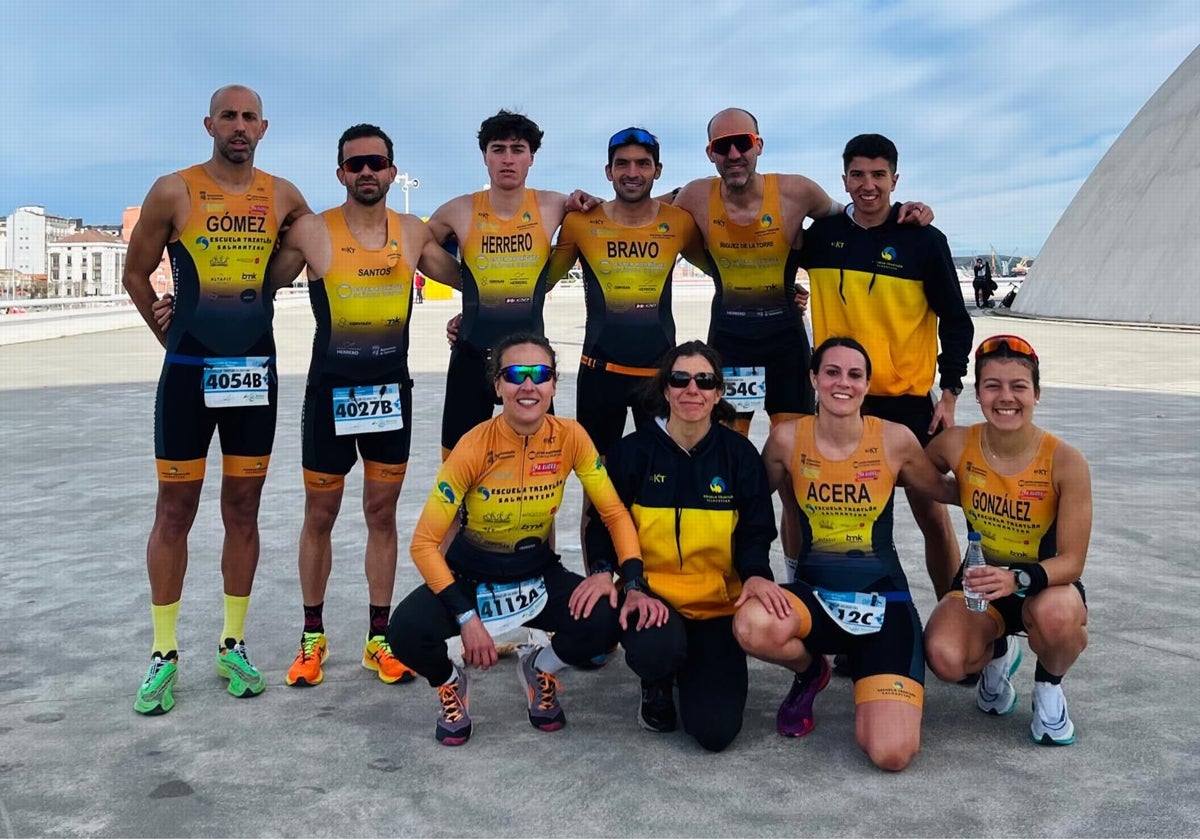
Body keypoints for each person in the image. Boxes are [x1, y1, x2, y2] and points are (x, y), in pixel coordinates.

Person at [122, 85, 311, 715]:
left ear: (264, 127)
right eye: (227, 116)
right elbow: (135, 271)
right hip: (188, 373)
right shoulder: (174, 190)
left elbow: (326, 248)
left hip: (255, 372)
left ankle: (233, 642)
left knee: (243, 506)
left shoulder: (284, 196)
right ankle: (163, 652)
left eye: (248, 117)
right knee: (174, 510)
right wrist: (166, 333)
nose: (238, 125)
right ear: (208, 123)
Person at [261, 124, 460, 689]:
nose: (367, 171)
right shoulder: (312, 231)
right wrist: (185, 302)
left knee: (381, 515)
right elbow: (253, 284)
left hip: (389, 395)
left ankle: (378, 639)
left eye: (377, 162)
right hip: (329, 396)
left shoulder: (413, 231)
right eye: (355, 164)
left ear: (393, 172)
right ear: (341, 173)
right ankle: (312, 637)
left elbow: (476, 280)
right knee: (319, 516)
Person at [386, 332, 643, 746]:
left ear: (554, 385)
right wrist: (466, 618)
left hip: (536, 569)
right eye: (515, 374)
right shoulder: (472, 447)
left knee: (608, 620)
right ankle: (450, 682)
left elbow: (613, 512)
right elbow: (423, 542)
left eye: (540, 374)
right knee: (403, 633)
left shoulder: (571, 437)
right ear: (498, 386)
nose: (528, 385)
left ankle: (541, 666)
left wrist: (620, 578)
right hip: (471, 572)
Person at [733, 337, 958, 771]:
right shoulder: (786, 439)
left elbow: (946, 490)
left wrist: (997, 465)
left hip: (884, 603)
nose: (843, 383)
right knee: (751, 623)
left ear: (867, 384)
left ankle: (874, 676)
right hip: (815, 600)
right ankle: (810, 671)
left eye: (855, 375)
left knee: (891, 753)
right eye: (832, 372)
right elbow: (752, 507)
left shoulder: (894, 440)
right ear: (814, 378)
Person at [666, 109, 933, 437]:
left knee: (795, 445)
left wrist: (904, 211)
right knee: (726, 444)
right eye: (723, 146)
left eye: (742, 143)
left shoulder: (796, 192)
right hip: (731, 341)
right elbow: (641, 214)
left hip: (786, 343)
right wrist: (597, 204)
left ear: (758, 145)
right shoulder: (695, 195)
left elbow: (857, 215)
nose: (734, 154)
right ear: (710, 152)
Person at [586, 341, 785, 752]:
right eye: (680, 379)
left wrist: (756, 575)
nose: (691, 389)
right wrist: (607, 572)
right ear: (665, 389)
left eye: (704, 380)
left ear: (717, 393)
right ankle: (656, 681)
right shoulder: (632, 452)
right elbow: (602, 524)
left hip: (717, 606)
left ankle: (696, 664)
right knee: (658, 648)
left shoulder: (739, 455)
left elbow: (756, 529)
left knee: (715, 732)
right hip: (652, 599)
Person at [799, 134, 973, 601]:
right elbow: (770, 267)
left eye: (879, 175)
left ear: (895, 179)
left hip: (910, 405)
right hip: (842, 407)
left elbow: (956, 322)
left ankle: (954, 611)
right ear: (844, 180)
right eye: (858, 175)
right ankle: (845, 622)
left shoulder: (924, 241)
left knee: (932, 516)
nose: (868, 185)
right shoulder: (819, 240)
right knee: (848, 526)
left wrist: (951, 392)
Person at [548, 127, 709, 572]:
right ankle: (600, 583)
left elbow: (725, 269)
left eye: (642, 164)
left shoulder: (679, 224)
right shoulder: (581, 221)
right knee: (597, 490)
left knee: (664, 485)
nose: (632, 172)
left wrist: (784, 291)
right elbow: (537, 284)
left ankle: (658, 585)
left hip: (660, 380)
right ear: (608, 171)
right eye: (623, 164)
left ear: (657, 171)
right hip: (600, 374)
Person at [923, 335, 1091, 746]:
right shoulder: (957, 443)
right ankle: (998, 654)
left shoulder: (1065, 460)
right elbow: (918, 473)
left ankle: (1049, 688)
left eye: (1018, 386)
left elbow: (1072, 562)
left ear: (1036, 393)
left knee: (1059, 617)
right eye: (992, 385)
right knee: (944, 657)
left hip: (1043, 585)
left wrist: (1017, 579)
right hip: (980, 584)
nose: (1006, 397)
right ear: (978, 393)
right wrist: (956, 493)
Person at [426, 111, 579, 458]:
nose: (508, 159)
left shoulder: (555, 205)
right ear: (484, 156)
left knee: (540, 464)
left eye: (517, 149)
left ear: (531, 158)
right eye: (498, 149)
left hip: (530, 362)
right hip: (471, 356)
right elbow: (414, 247)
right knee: (456, 461)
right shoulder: (458, 210)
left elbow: (612, 218)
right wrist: (468, 287)